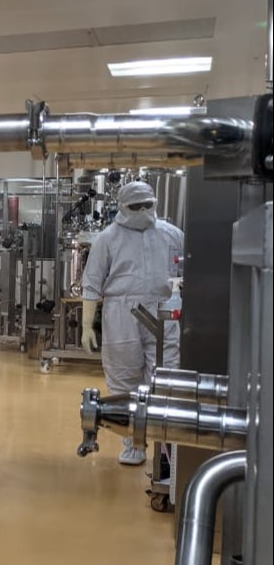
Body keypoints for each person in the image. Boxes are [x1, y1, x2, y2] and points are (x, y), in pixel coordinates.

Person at [81, 180, 184, 466]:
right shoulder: (107, 239)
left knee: (166, 379)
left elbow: (186, 273)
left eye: (146, 205)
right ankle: (133, 442)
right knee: (123, 381)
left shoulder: (172, 235)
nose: (141, 211)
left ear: (155, 203)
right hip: (121, 313)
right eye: (134, 206)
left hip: (164, 310)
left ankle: (167, 446)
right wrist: (87, 325)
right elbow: (91, 284)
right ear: (123, 207)